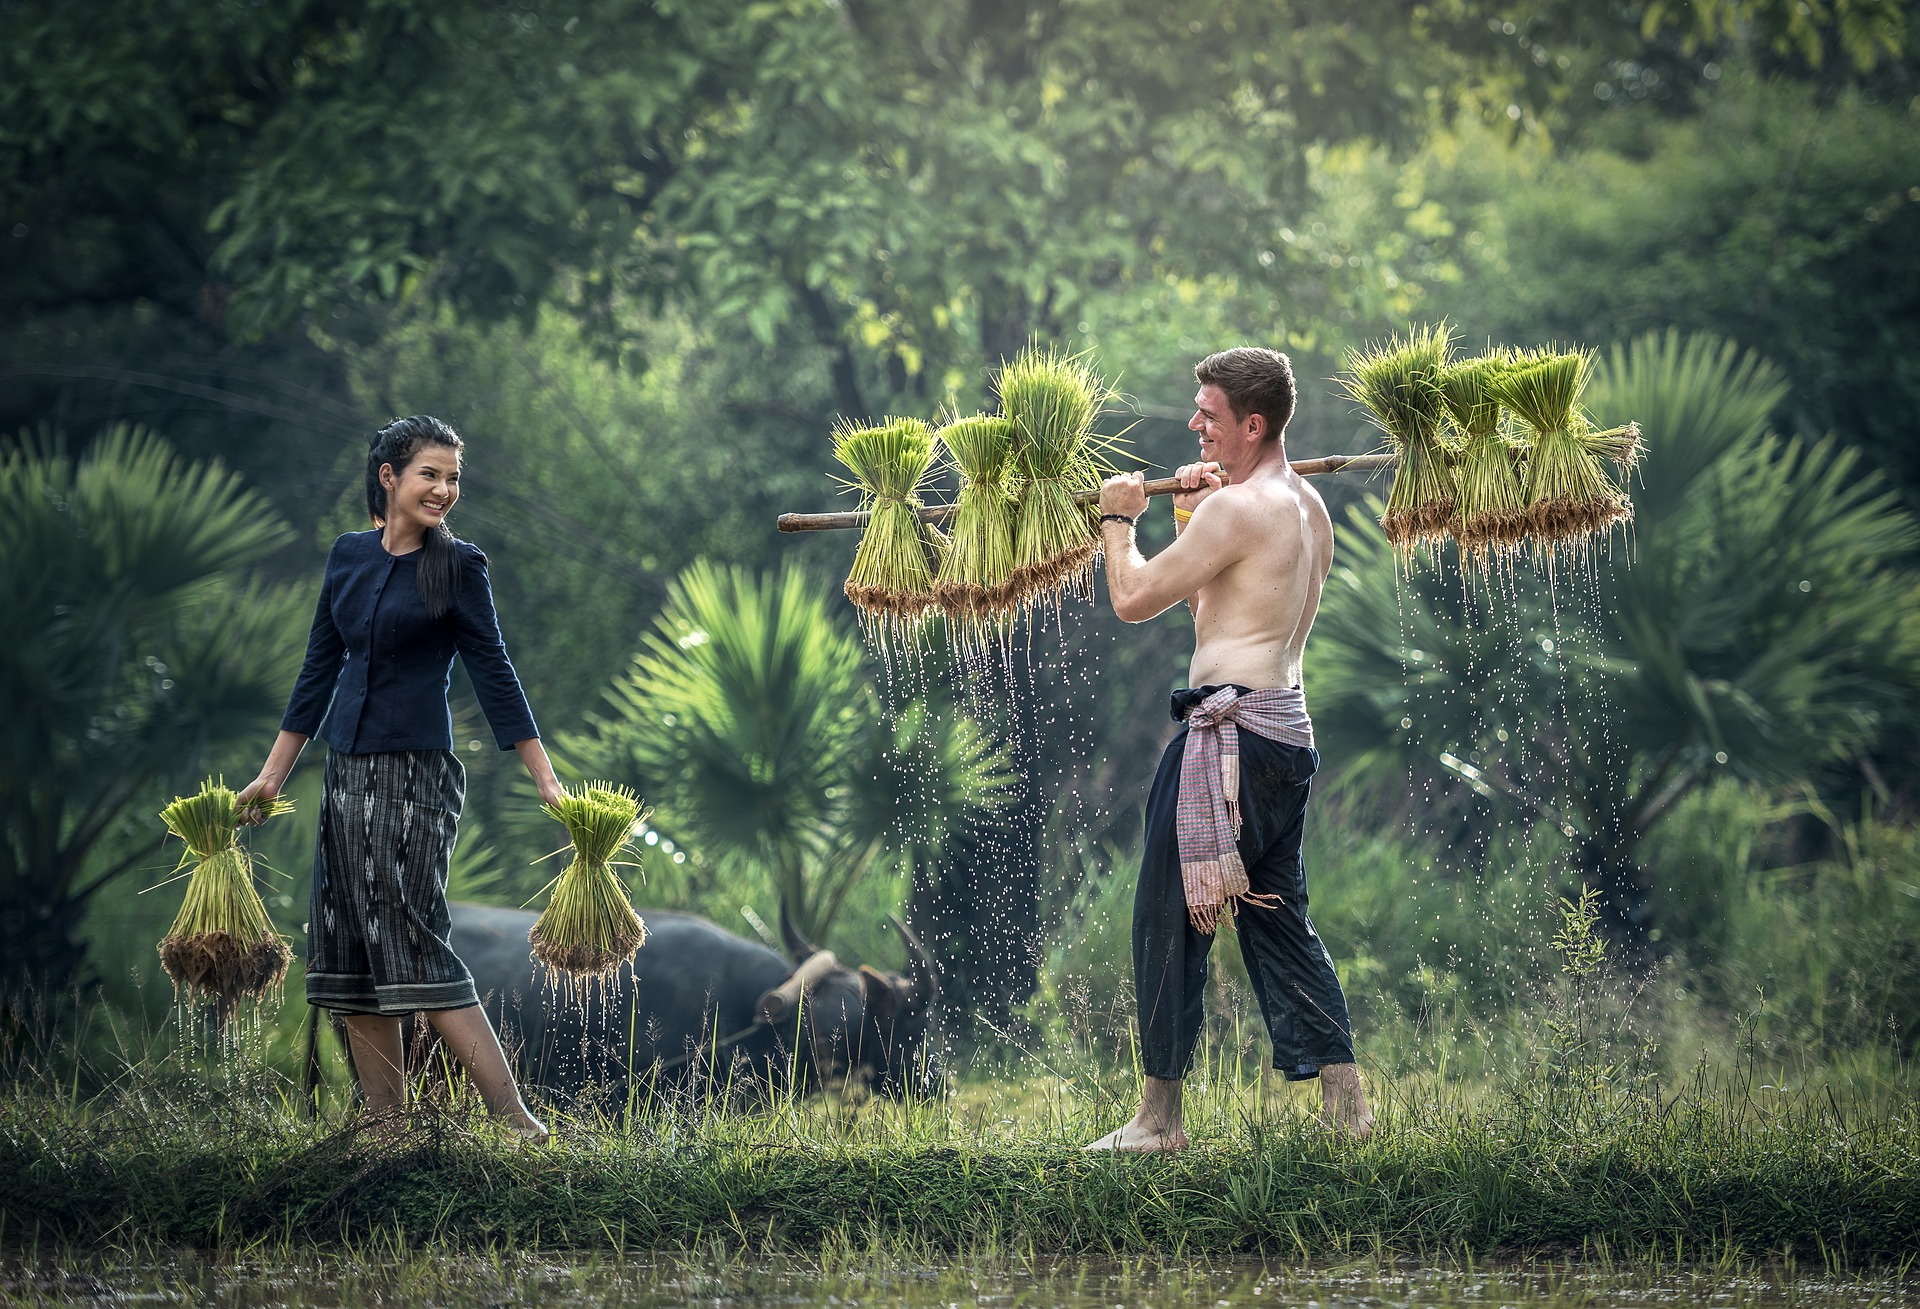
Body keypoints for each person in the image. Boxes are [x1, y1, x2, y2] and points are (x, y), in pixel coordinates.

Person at [237, 415, 561, 1143]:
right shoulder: (347, 558)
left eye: (453, 478)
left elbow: (495, 675)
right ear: (389, 476)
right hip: (346, 775)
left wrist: (545, 779)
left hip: (414, 777)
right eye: (430, 474)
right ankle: (386, 1126)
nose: (445, 489)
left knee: (413, 940)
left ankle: (518, 1124)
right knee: (348, 946)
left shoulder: (459, 567)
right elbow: (318, 671)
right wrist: (271, 776)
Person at [1086, 347, 1373, 1151]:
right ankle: (1349, 1110)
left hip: (1228, 743)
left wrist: (1117, 517)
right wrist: (1186, 515)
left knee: (1165, 915)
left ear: (1252, 424)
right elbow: (1221, 613)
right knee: (1280, 919)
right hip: (1285, 738)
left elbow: (1136, 597)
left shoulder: (1238, 511)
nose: (1193, 425)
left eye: (1208, 414)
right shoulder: (1305, 506)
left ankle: (1158, 1120)